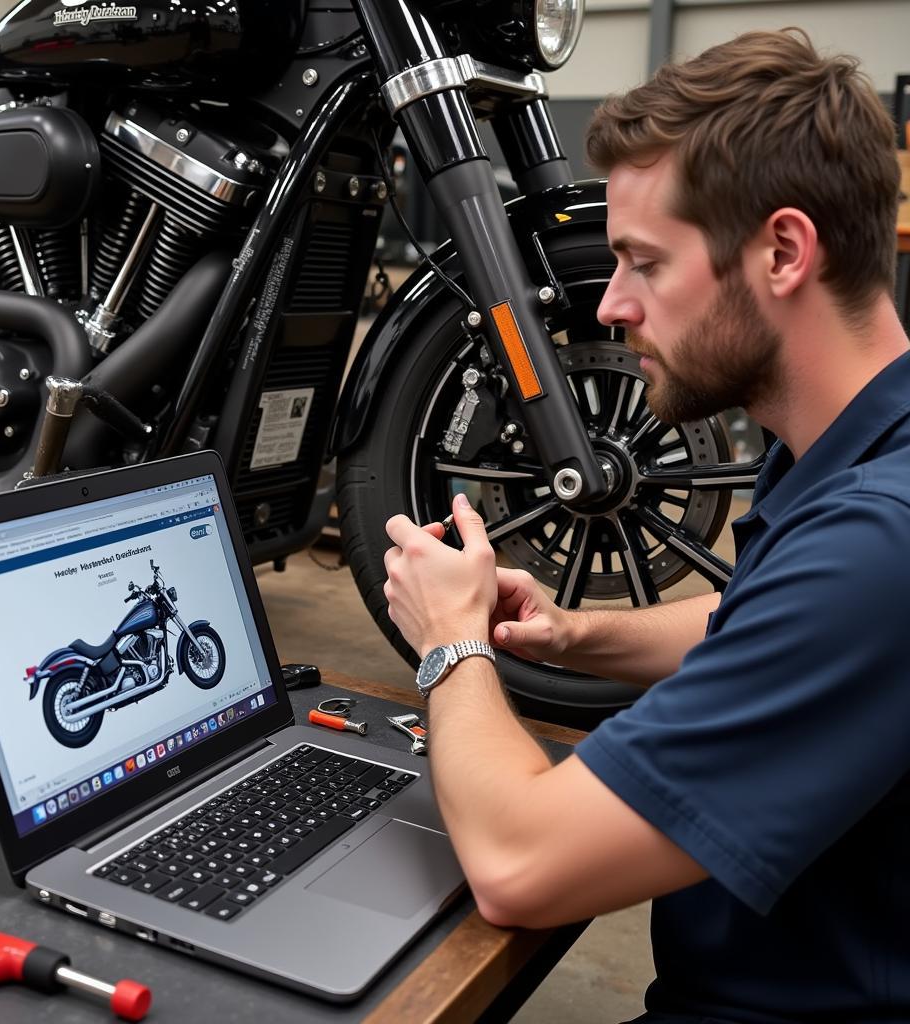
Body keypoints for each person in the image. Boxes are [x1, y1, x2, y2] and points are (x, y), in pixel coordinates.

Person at [382, 28, 910, 1023]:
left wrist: (450, 648)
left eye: (644, 262)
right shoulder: (858, 441)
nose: (612, 303)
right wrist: (575, 635)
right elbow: (760, 623)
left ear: (783, 252)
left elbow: (518, 864)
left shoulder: (880, 548)